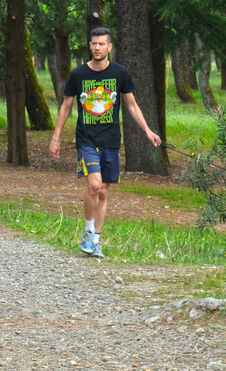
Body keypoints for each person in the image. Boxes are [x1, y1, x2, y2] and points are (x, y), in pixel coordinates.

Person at [48, 26, 161, 259]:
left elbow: (131, 105)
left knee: (103, 193)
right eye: (93, 44)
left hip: (111, 140)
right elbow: (66, 106)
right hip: (87, 140)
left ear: (109, 47)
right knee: (94, 185)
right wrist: (55, 137)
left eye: (101, 44)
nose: (97, 48)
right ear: (90, 46)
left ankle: (96, 242)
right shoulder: (78, 74)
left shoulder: (120, 73)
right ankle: (88, 233)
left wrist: (148, 131)